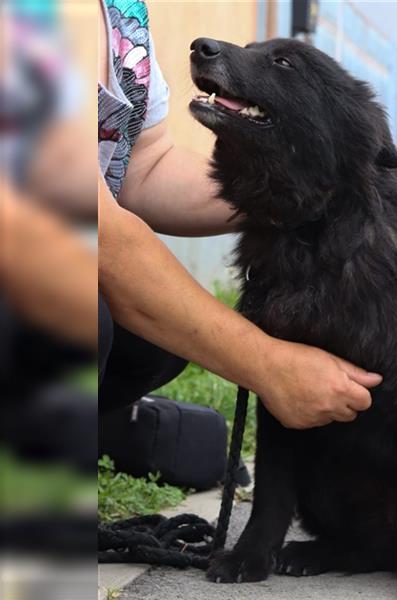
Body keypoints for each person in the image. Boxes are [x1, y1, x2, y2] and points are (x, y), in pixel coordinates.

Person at [97, 0, 381, 427]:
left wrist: (312, 189)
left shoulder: (122, 15)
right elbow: (92, 224)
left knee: (156, 340)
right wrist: (268, 365)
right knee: (85, 321)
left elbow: (145, 165)